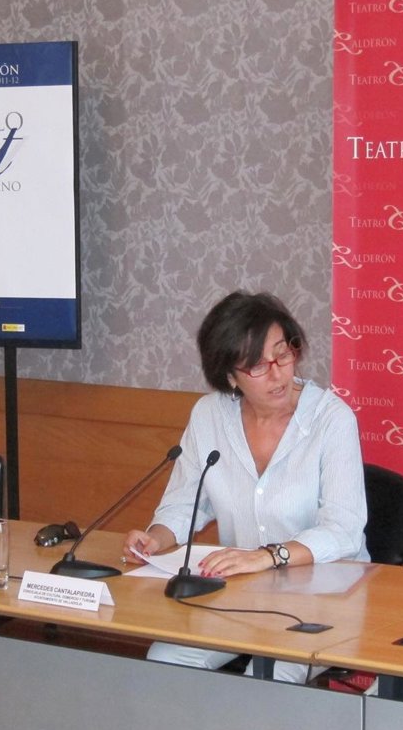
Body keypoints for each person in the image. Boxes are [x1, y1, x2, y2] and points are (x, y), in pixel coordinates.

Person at [123, 291, 368, 684]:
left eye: (282, 354)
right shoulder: (209, 415)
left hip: (324, 600)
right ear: (229, 376)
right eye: (257, 366)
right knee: (165, 662)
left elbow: (344, 531)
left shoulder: (332, 420)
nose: (278, 374)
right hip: (241, 594)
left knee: (264, 682)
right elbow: (186, 503)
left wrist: (269, 556)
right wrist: (156, 538)